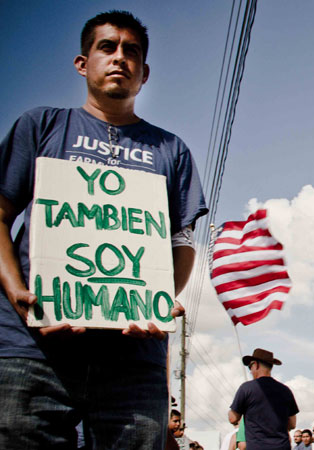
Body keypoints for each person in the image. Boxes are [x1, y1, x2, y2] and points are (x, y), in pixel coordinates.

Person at [0, 10, 207, 449]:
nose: (119, 58)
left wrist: (158, 298)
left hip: (133, 361)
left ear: (144, 72)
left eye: (131, 51)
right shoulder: (40, 126)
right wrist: (18, 292)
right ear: (83, 62)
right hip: (33, 349)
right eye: (107, 47)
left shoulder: (172, 150)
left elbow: (182, 239)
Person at [229, 349, 299, 450]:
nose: (250, 370)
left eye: (250, 366)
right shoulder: (285, 391)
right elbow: (292, 424)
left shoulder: (247, 388)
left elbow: (233, 418)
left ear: (256, 365)